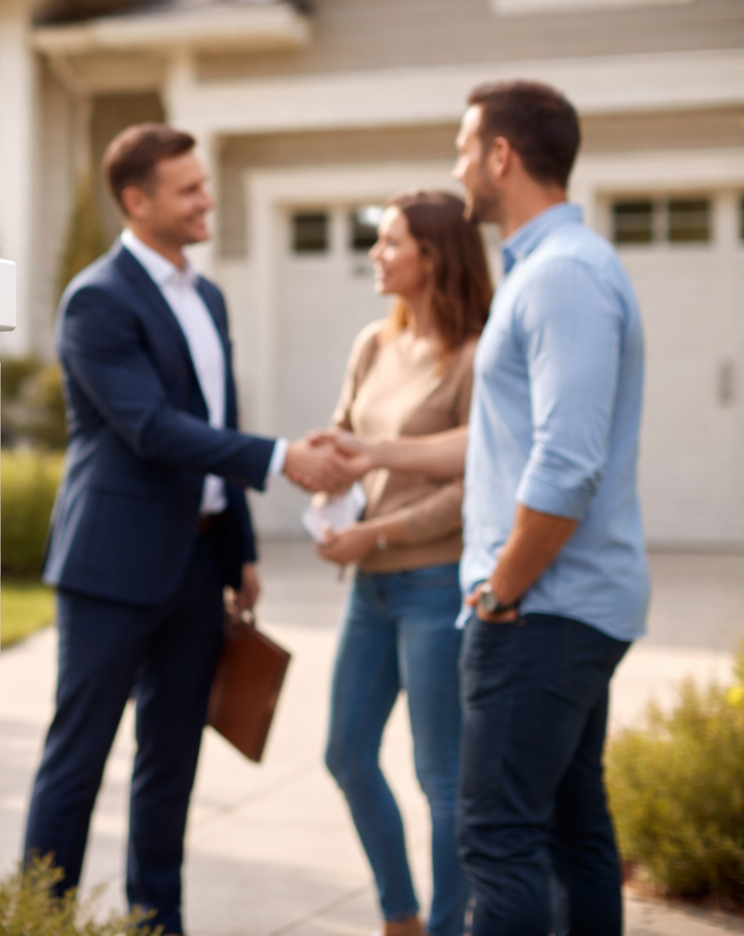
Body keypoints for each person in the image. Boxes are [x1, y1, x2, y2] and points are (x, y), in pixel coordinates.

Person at [320, 81, 650, 936]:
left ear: (502, 155)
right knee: (574, 829)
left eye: (466, 146)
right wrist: (379, 453)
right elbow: (503, 444)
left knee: (497, 841)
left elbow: (565, 467)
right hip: (557, 609)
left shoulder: (563, 278)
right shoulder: (546, 272)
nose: (459, 163)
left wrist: (502, 589)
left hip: (539, 613)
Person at [23, 123, 351, 935]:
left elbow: (215, 422)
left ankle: (156, 923)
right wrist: (281, 458)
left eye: (204, 185)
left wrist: (239, 551)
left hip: (201, 568)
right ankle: (35, 922)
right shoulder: (96, 299)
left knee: (171, 765)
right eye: (190, 190)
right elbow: (152, 428)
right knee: (79, 760)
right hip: (112, 567)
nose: (209, 200)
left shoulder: (207, 297)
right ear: (137, 202)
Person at [316, 190, 491, 936]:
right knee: (347, 755)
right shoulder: (372, 344)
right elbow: (343, 435)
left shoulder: (476, 357)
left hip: (432, 584)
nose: (376, 256)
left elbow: (475, 482)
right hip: (370, 591)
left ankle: (447, 928)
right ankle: (401, 914)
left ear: (435, 256)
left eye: (391, 243)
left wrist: (379, 535)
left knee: (441, 776)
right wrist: (320, 472)